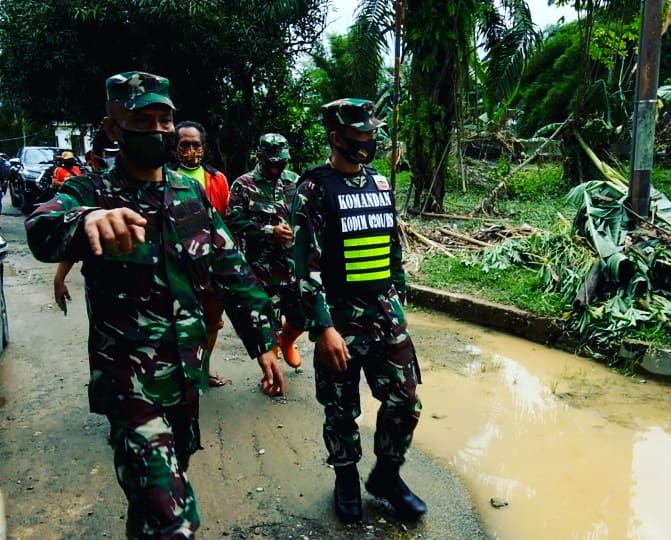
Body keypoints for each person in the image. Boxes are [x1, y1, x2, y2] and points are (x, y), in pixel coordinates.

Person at [25, 70, 284, 539]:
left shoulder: (191, 195)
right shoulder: (92, 191)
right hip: (130, 386)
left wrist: (263, 340)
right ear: (113, 127)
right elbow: (41, 227)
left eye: (165, 119)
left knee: (155, 501)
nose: (159, 130)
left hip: (185, 379)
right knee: (174, 520)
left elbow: (232, 269)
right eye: (142, 119)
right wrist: (87, 221)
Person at [292, 98, 426, 523]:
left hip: (384, 311)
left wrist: (399, 300)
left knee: (405, 400)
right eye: (358, 136)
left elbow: (391, 250)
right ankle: (346, 477)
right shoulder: (313, 189)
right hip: (338, 316)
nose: (367, 143)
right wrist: (323, 328)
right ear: (337, 138)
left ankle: (387, 475)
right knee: (341, 406)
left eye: (371, 135)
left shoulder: (381, 185)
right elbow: (304, 266)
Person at [225, 133, 304, 375]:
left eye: (281, 163)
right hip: (261, 268)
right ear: (259, 157)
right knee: (266, 321)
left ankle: (288, 341)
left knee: (302, 316)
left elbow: (307, 217)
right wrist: (269, 231)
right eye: (271, 163)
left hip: (292, 265)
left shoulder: (294, 182)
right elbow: (233, 220)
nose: (276, 168)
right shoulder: (243, 185)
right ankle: (271, 373)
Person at [170, 120, 231, 387]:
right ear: (175, 148)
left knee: (211, 321)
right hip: (177, 267)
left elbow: (225, 223)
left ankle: (202, 369)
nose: (191, 151)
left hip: (210, 266)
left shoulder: (217, 179)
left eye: (196, 145)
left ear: (203, 148)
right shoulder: (163, 178)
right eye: (184, 145)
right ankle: (175, 374)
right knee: (176, 322)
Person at [55, 131, 120, 314]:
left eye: (118, 154)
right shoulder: (87, 189)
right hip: (103, 286)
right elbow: (72, 240)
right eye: (110, 155)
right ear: (94, 157)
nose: (114, 161)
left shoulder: (144, 185)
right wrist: (59, 279)